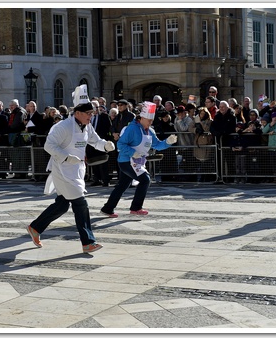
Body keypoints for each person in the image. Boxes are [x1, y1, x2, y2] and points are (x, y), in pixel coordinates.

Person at [26, 85, 116, 253]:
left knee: (62, 205)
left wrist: (105, 145)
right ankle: (88, 242)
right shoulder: (63, 127)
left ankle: (35, 228)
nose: (91, 117)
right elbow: (48, 145)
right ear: (78, 113)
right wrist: (66, 157)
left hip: (76, 171)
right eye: (88, 114)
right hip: (62, 170)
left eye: (92, 114)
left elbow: (95, 141)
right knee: (80, 204)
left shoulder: (87, 126)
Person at [100, 102, 178, 217]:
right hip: (126, 161)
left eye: (152, 121)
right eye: (149, 120)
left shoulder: (150, 131)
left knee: (122, 185)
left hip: (136, 162)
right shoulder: (132, 129)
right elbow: (120, 144)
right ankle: (136, 208)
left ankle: (107, 208)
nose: (150, 123)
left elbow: (157, 145)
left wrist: (168, 142)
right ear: (141, 118)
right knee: (145, 180)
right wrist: (133, 153)